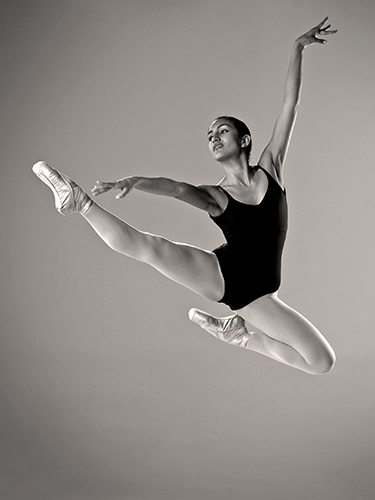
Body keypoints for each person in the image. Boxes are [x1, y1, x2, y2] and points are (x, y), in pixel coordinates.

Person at [33, 18, 337, 375]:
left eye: (222, 130)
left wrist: (297, 48)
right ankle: (78, 201)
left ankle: (238, 336)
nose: (213, 136)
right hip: (225, 276)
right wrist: (137, 180)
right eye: (209, 134)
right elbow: (177, 188)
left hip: (261, 296)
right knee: (150, 247)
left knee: (321, 362)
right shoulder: (216, 196)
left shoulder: (271, 168)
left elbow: (290, 104)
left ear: (244, 140)